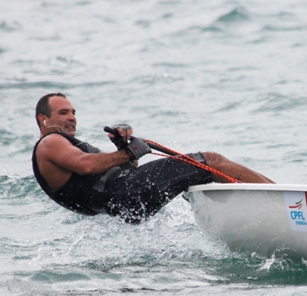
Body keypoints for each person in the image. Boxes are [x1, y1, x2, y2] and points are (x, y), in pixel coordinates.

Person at [32, 93, 274, 223]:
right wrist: (126, 152)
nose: (72, 117)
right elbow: (86, 166)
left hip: (124, 202)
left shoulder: (61, 146)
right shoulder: (50, 143)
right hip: (126, 193)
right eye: (63, 112)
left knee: (197, 174)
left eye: (73, 112)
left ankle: (254, 214)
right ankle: (280, 199)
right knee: (210, 160)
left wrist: (123, 148)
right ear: (44, 119)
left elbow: (122, 166)